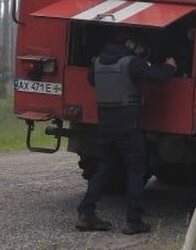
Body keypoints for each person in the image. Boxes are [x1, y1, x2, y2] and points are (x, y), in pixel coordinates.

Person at [75, 32, 177, 234]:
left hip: (106, 126)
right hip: (128, 127)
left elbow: (93, 81)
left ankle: (86, 212)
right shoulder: (132, 63)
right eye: (139, 45)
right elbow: (159, 77)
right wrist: (170, 66)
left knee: (105, 168)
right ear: (129, 43)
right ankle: (134, 220)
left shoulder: (97, 63)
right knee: (135, 170)